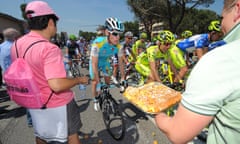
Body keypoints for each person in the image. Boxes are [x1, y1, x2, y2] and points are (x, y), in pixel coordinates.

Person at [155, 0, 240, 143]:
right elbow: (202, 58)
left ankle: (175, 84)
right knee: (184, 68)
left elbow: (203, 57)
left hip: (182, 51)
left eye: (222, 19)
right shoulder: (203, 39)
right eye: (217, 33)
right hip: (177, 49)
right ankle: (172, 87)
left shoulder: (210, 41)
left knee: (185, 67)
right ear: (212, 33)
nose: (220, 34)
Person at [11, 1, 88, 144]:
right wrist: (79, 80)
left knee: (41, 134)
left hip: (33, 101)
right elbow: (57, 85)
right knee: (72, 136)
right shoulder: (48, 48)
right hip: (58, 103)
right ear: (50, 21)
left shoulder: (16, 44)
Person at [89, 17, 125, 111]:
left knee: (107, 81)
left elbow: (121, 63)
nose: (118, 37)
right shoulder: (97, 43)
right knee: (95, 82)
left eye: (120, 34)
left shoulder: (119, 46)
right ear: (107, 33)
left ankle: (106, 94)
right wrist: (98, 81)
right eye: (115, 34)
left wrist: (123, 78)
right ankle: (96, 99)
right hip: (95, 62)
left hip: (105, 62)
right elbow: (94, 63)